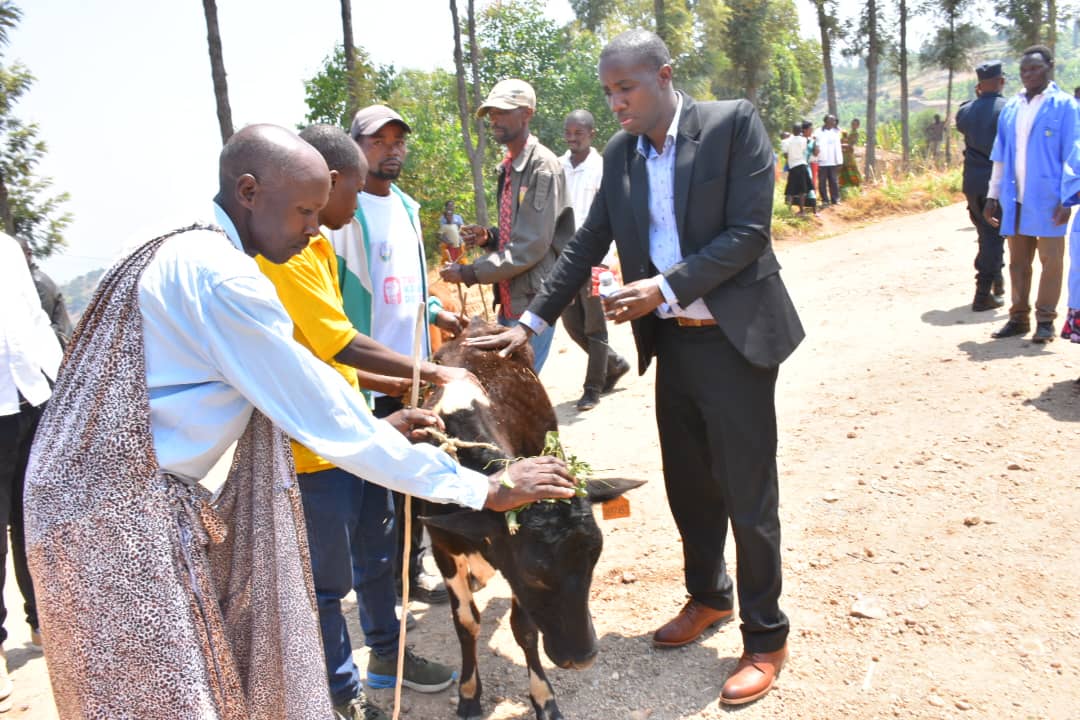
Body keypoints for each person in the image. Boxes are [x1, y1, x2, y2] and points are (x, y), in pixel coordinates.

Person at [22, 124, 576, 719]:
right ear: (250, 191)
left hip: (79, 504)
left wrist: (378, 431)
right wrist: (486, 489)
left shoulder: (172, 241)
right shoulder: (224, 278)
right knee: (158, 698)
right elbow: (318, 405)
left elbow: (274, 395)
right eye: (305, 210)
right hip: (118, 523)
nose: (315, 229)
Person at [467, 30, 804, 707]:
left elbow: (748, 232)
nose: (615, 103)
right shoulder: (621, 155)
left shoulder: (730, 124)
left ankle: (766, 637)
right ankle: (709, 598)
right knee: (689, 485)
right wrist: (528, 324)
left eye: (626, 88)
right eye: (609, 91)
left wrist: (662, 288)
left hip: (734, 341)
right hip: (673, 345)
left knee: (747, 493)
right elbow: (587, 242)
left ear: (664, 76)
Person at [256, 125, 462, 720]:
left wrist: (393, 391)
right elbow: (337, 342)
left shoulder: (317, 243)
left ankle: (389, 658)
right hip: (315, 449)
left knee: (380, 554)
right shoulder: (284, 254)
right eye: (338, 200)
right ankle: (341, 695)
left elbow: (339, 352)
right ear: (330, 180)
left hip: (360, 425)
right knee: (326, 585)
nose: (336, 216)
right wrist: (435, 375)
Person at [337, 104, 466, 612]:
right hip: (374, 381)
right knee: (379, 496)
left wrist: (436, 311)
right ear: (355, 148)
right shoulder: (343, 217)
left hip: (416, 370)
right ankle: (384, 589)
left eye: (398, 141)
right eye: (378, 141)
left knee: (416, 480)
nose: (391, 150)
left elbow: (408, 286)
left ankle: (411, 574)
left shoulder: (409, 209)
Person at [438, 79, 574, 373]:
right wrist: (489, 237)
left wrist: (469, 273)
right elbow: (519, 234)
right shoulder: (510, 167)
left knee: (518, 386)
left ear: (526, 114)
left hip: (533, 303)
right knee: (508, 386)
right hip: (512, 299)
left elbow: (531, 245)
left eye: (502, 111)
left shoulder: (542, 167)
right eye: (491, 113)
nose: (495, 119)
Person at [0, 233, 63, 710]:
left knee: (35, 518)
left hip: (32, 396)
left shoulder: (6, 248)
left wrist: (60, 381)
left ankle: (43, 619)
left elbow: (36, 321)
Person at [985, 45, 1079, 343]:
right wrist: (992, 196)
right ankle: (1018, 317)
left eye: (1035, 68)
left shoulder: (1065, 106)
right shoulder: (1012, 108)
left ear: (1050, 67)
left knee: (1051, 262)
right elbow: (1000, 155)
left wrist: (1067, 200)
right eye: (1024, 70)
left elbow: (1074, 154)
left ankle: (1045, 320)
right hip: (1016, 200)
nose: (1028, 75)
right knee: (1017, 262)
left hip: (1050, 201)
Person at [558, 108, 631, 411]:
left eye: (579, 133)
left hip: (597, 259)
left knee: (595, 325)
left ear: (592, 134)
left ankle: (593, 387)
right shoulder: (556, 166)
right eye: (569, 133)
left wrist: (608, 260)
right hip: (565, 258)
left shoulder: (604, 168)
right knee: (571, 323)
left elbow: (616, 215)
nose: (573, 138)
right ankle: (613, 363)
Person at [956, 61, 1008, 312]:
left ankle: (997, 283)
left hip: (972, 183)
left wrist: (977, 98)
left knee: (985, 235)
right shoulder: (1008, 109)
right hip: (995, 185)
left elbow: (964, 118)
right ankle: (982, 293)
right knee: (994, 237)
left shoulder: (965, 112)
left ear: (979, 85)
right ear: (1002, 81)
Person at [16, 236, 74, 348]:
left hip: (57, 347)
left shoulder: (37, 282)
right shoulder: (25, 281)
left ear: (28, 254)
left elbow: (42, 324)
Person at [780, 122, 811, 214]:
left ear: (792, 130)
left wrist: (791, 157)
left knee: (790, 190)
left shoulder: (785, 141)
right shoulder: (804, 140)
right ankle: (801, 211)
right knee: (802, 190)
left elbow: (785, 155)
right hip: (802, 165)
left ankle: (788, 211)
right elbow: (803, 150)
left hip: (793, 167)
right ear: (801, 130)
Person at [817, 114, 843, 206]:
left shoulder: (836, 132)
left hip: (833, 161)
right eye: (832, 120)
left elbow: (838, 148)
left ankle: (835, 199)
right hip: (822, 162)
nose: (834, 122)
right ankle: (824, 200)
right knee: (822, 182)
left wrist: (839, 161)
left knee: (834, 181)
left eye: (834, 121)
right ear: (826, 121)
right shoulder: (818, 132)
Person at [840, 118, 862, 189]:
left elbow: (851, 145)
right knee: (844, 170)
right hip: (844, 155)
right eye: (852, 124)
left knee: (851, 169)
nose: (853, 125)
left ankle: (856, 185)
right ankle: (845, 186)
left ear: (858, 126)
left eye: (855, 124)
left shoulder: (855, 134)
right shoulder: (848, 133)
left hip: (849, 155)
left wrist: (840, 145)